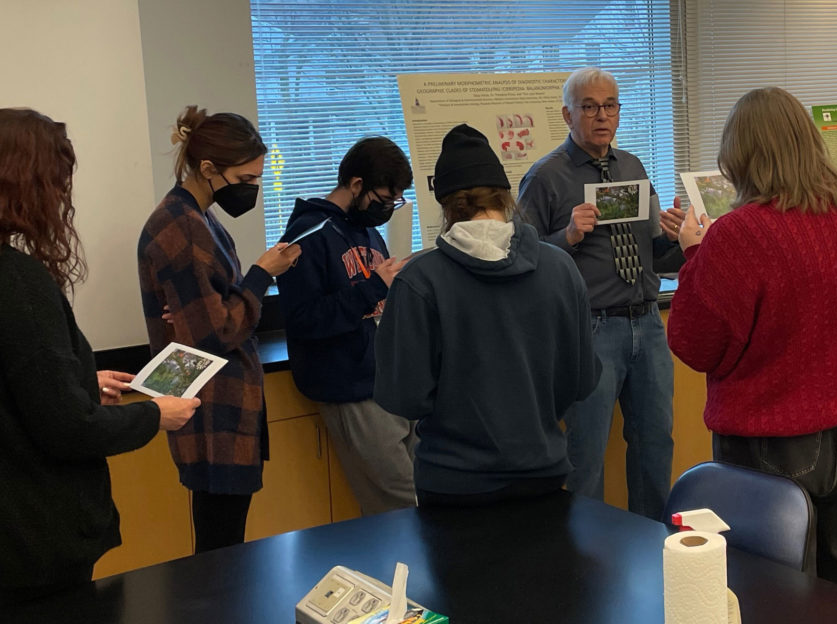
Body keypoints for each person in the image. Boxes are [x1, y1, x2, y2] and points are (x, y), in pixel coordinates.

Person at [666, 87, 837, 597]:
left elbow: (695, 343)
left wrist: (696, 255)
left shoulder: (738, 234)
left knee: (771, 591)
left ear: (740, 158)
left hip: (772, 437)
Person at [0, 108, 199, 605]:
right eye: (58, 179)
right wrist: (155, 414)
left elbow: (19, 383)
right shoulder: (18, 283)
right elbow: (67, 429)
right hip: (32, 542)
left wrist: (80, 379)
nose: (63, 196)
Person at [374, 124, 600, 505]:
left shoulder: (419, 281)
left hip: (452, 481)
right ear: (506, 196)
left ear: (445, 205)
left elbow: (403, 396)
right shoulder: (560, 268)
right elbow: (580, 380)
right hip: (541, 472)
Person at [518, 67, 682, 520]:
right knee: (585, 453)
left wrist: (680, 238)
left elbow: (656, 254)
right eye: (589, 107)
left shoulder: (632, 166)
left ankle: (652, 547)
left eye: (610, 106)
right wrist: (566, 236)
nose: (601, 116)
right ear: (568, 114)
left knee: (656, 443)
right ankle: (584, 565)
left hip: (647, 324)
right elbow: (521, 260)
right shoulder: (545, 177)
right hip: (591, 329)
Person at [137, 106, 300, 553]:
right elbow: (213, 334)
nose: (253, 189)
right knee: (220, 552)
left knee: (224, 544)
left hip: (220, 402)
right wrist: (262, 274)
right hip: (211, 409)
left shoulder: (200, 218)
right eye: (245, 179)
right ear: (207, 169)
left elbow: (209, 317)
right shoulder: (181, 227)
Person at [276, 137, 416, 515]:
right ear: (356, 186)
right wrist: (372, 287)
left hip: (387, 382)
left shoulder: (366, 229)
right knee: (400, 505)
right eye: (384, 200)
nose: (387, 210)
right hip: (349, 388)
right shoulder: (307, 234)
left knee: (422, 491)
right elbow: (304, 319)